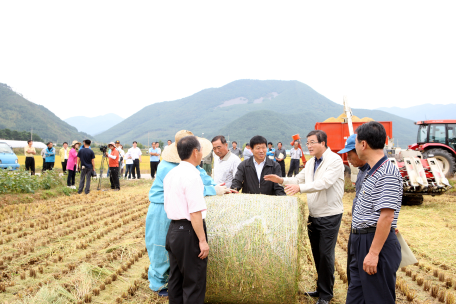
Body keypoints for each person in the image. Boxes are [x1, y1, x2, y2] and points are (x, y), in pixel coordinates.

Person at [145, 130, 230, 298]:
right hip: (169, 214)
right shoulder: (176, 170)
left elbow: (204, 181)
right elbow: (194, 208)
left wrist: (217, 187)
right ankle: (157, 281)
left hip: (174, 224)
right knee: (189, 275)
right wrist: (202, 241)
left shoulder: (180, 170)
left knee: (176, 274)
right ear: (195, 151)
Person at [264, 130, 344, 304]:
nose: (309, 145)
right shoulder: (310, 163)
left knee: (325, 255)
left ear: (323, 143)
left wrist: (301, 189)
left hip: (330, 215)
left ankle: (326, 295)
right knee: (317, 254)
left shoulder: (335, 160)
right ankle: (321, 287)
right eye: (307, 143)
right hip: (314, 214)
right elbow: (299, 179)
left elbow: (325, 183)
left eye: (312, 142)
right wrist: (281, 180)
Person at [346, 122, 402, 304]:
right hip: (361, 240)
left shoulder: (388, 171)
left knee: (377, 299)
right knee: (356, 298)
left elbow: (387, 216)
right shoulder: (372, 171)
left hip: (374, 243)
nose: (354, 148)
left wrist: (373, 253)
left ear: (363, 145)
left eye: (355, 143)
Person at [164, 135, 211, 304]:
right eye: (201, 151)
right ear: (195, 152)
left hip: (173, 231)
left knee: (175, 280)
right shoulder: (192, 175)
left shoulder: (171, 173)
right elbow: (195, 212)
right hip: (188, 231)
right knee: (194, 282)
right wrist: (202, 240)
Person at [336, 134, 369, 286]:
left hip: (367, 234)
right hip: (357, 231)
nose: (348, 158)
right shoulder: (362, 171)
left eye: (350, 154)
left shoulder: (375, 172)